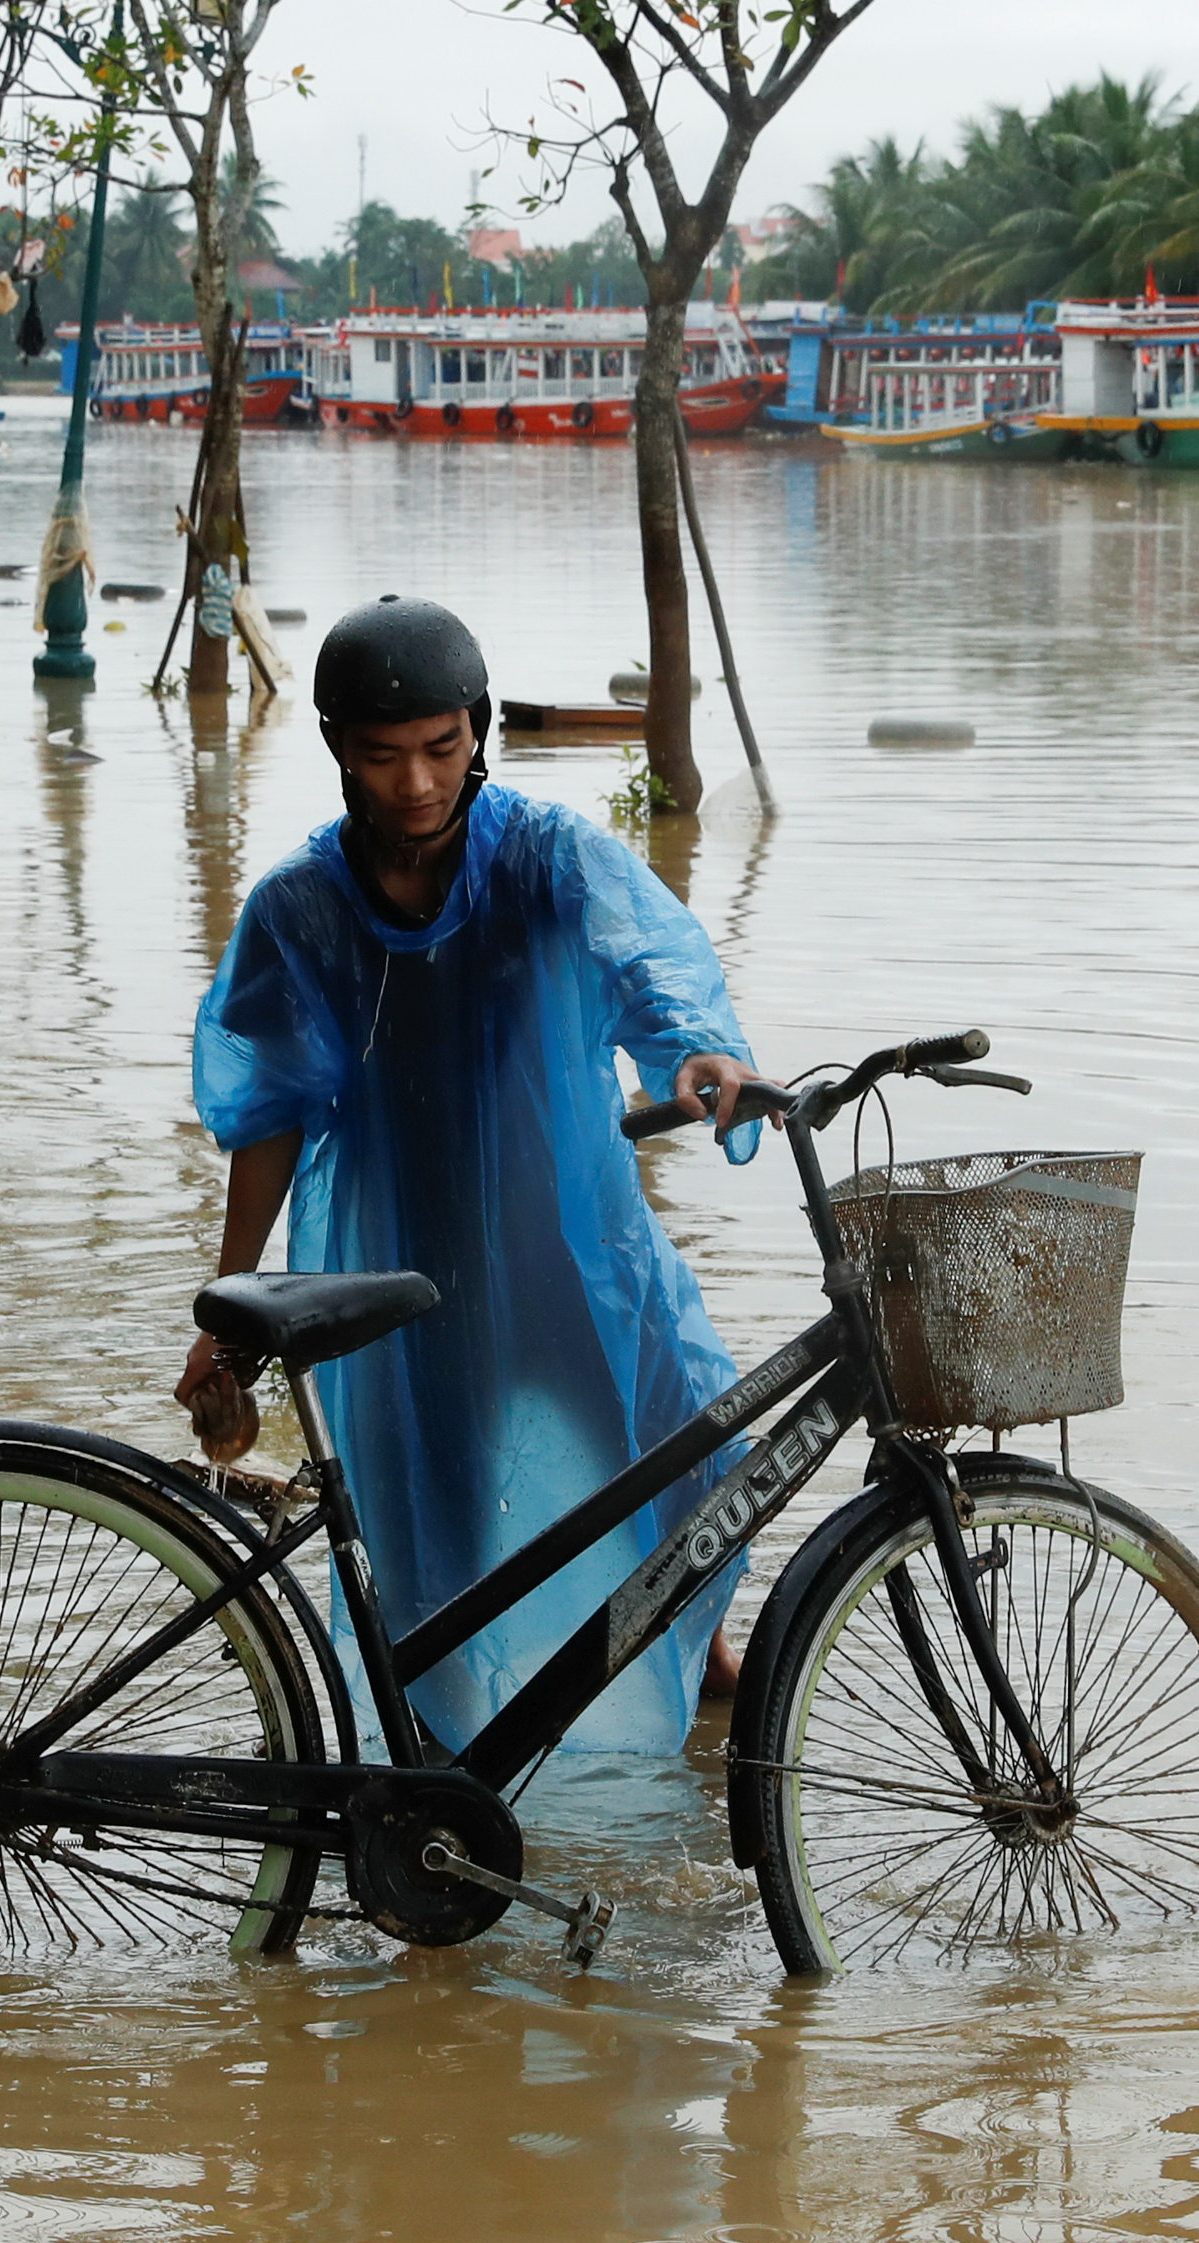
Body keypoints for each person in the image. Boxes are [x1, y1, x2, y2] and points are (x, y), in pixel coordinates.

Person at [179, 595, 770, 1756]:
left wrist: (695, 1047)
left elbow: (651, 963)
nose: (413, 783)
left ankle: (696, 1652)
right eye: (382, 754)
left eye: (441, 749)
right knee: (426, 1547)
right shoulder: (298, 910)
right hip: (399, 1267)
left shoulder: (546, 859)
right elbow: (266, 1118)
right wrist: (227, 1303)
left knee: (680, 1455)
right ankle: (439, 1786)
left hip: (564, 1243)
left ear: (478, 733)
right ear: (338, 750)